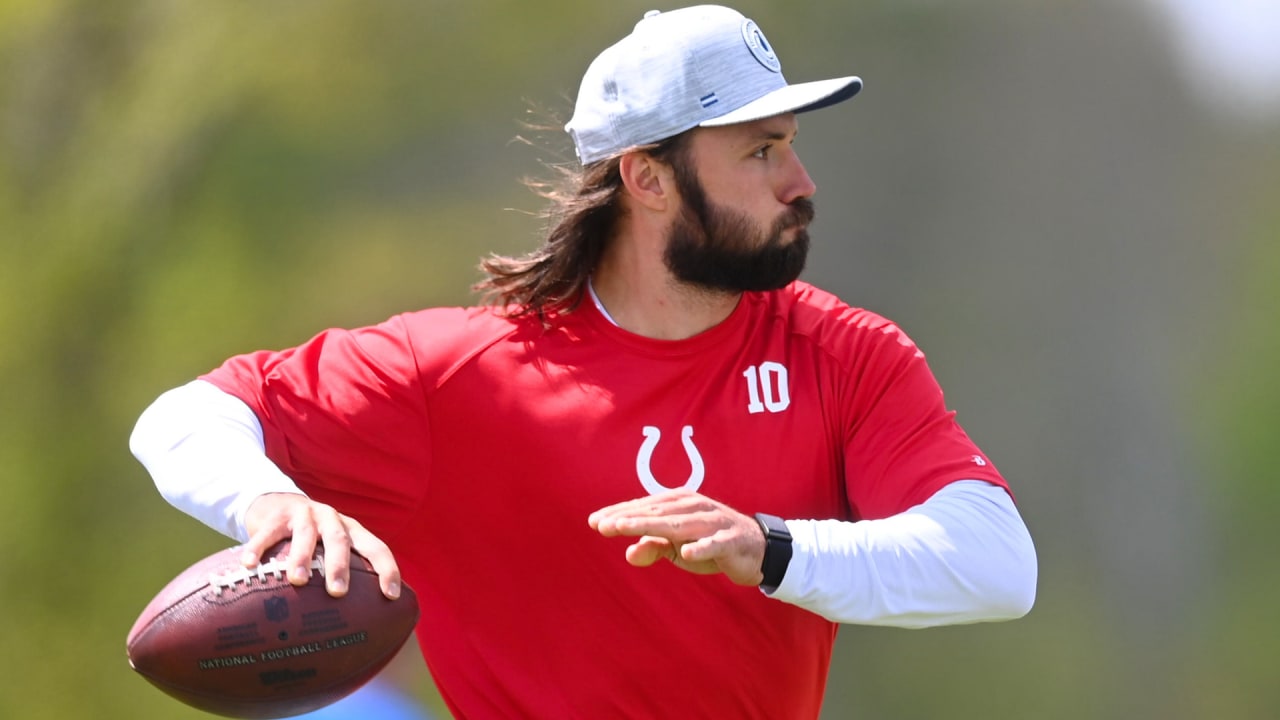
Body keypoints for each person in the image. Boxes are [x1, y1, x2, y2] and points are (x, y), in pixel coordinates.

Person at [130, 5, 1037, 719]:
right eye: (761, 152)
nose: (800, 183)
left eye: (791, 145)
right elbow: (182, 418)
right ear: (646, 178)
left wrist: (768, 547)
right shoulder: (458, 372)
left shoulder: (844, 356)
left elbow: (998, 565)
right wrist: (269, 500)